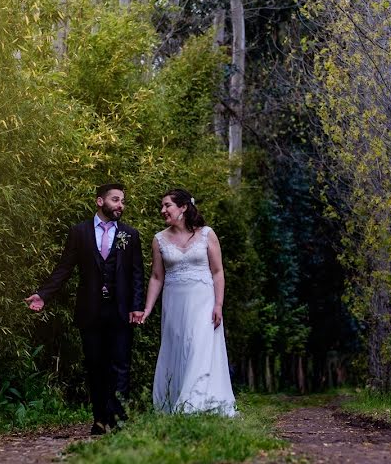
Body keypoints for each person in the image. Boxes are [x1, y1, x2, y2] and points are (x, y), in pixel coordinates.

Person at [24, 184, 145, 435]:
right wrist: (44, 295)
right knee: (95, 365)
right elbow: (64, 268)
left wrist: (137, 307)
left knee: (120, 365)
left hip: (121, 311)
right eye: (115, 199)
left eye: (123, 201)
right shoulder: (78, 232)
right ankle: (100, 419)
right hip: (90, 310)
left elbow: (137, 275)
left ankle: (118, 419)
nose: (120, 205)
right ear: (100, 201)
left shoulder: (130, 235)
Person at [140, 188, 236, 416]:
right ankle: (174, 400)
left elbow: (218, 271)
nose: (163, 210)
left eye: (167, 205)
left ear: (183, 207)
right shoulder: (159, 239)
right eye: (162, 206)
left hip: (203, 302)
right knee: (178, 347)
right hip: (174, 304)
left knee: (199, 347)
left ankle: (194, 404)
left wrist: (218, 304)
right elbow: (156, 277)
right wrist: (147, 308)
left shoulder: (206, 234)